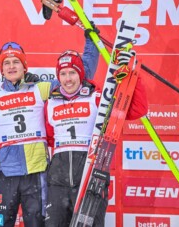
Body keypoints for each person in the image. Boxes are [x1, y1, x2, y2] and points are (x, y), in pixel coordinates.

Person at [0, 30, 100, 226]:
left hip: (37, 172)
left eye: (16, 62)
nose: (11, 66)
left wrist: (91, 42)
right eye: (6, 63)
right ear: (1, 69)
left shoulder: (40, 88)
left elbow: (79, 76)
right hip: (6, 173)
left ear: (24, 66)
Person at [44, 49, 148, 226]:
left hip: (91, 178)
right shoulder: (51, 102)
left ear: (81, 74)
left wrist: (131, 75)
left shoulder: (97, 96)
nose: (67, 79)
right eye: (63, 73)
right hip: (58, 182)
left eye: (72, 73)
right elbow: (50, 138)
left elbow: (138, 108)